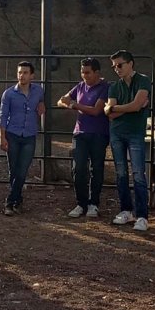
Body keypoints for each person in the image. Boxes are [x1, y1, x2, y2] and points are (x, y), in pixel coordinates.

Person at [104, 50, 151, 231]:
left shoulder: (143, 80)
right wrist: (132, 107)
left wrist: (115, 108)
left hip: (135, 133)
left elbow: (115, 109)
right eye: (114, 66)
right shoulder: (115, 86)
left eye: (120, 65)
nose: (117, 69)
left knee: (138, 174)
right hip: (117, 133)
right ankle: (126, 210)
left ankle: (142, 216)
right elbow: (110, 115)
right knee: (121, 173)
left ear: (130, 63)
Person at [58, 58, 110, 219]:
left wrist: (74, 105)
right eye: (82, 72)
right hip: (80, 132)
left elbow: (96, 110)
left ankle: (93, 203)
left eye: (87, 72)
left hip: (98, 133)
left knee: (97, 168)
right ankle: (81, 203)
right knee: (78, 168)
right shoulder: (80, 86)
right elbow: (61, 100)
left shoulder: (105, 87)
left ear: (97, 72)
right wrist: (68, 103)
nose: (84, 76)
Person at [0, 61, 45, 216]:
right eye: (19, 72)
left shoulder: (38, 91)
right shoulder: (9, 94)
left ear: (32, 75)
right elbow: (3, 116)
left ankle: (10, 202)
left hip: (29, 135)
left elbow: (41, 104)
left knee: (22, 170)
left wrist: (42, 106)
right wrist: (2, 137)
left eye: (25, 73)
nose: (22, 75)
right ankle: (16, 201)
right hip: (12, 134)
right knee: (14, 170)